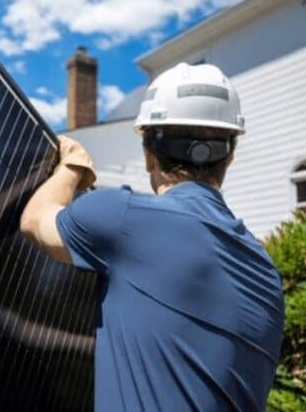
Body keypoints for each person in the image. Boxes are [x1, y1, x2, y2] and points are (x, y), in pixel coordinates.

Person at [20, 63, 285, 411]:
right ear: (230, 156)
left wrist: (72, 166)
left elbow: (35, 221)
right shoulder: (265, 270)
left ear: (148, 155)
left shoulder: (121, 218)